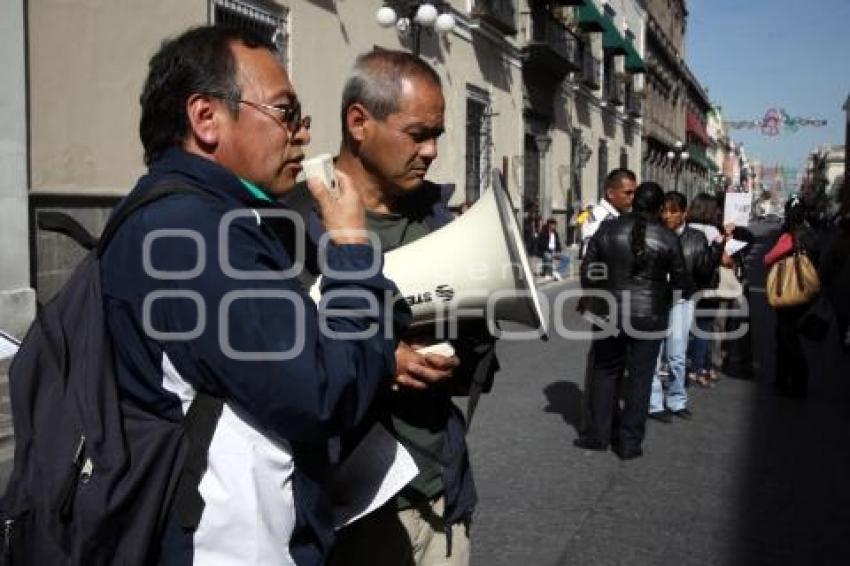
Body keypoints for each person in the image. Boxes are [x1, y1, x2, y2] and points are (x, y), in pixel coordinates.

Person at [100, 27, 403, 565]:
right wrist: (353, 246)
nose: (300, 135)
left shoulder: (182, 216)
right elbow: (323, 393)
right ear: (206, 119)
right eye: (285, 112)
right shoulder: (195, 235)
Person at [320, 50, 500, 566]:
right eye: (418, 133)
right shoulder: (299, 224)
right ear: (359, 122)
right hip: (347, 512)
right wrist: (382, 358)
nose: (432, 151)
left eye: (438, 134)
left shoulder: (442, 221)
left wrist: (462, 349)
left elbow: (478, 357)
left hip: (441, 495)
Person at [575, 182, 686, 459]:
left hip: (610, 312)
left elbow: (588, 271)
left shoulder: (608, 229)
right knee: (640, 377)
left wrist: (598, 296)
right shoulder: (668, 238)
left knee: (605, 371)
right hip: (650, 316)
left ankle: (599, 435)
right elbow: (682, 281)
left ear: (634, 201)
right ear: (660, 208)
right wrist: (662, 300)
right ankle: (629, 442)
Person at [648, 191, 724, 422]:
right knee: (653, 353)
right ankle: (653, 402)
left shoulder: (696, 237)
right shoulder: (654, 234)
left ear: (684, 213)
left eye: (673, 211)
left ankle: (677, 399)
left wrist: (716, 251)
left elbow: (703, 272)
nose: (667, 216)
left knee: (677, 355)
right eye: (664, 210)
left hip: (682, 300)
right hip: (655, 299)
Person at [763, 195, 821, 397]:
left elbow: (769, 257)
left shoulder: (789, 236)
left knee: (786, 336)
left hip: (788, 292)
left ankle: (792, 380)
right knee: (790, 334)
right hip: (807, 292)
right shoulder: (811, 234)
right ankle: (789, 379)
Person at [580, 168, 637, 257]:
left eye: (634, 193)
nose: (632, 197)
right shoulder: (599, 218)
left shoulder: (623, 216)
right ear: (610, 193)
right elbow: (589, 256)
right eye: (628, 193)